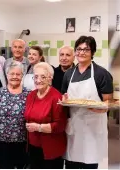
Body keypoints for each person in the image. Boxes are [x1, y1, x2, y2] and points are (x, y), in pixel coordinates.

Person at [62, 36, 113, 169]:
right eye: (79, 49)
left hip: (93, 125)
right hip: (74, 125)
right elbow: (64, 96)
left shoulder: (101, 73)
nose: (82, 52)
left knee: (89, 162)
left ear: (93, 52)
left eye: (86, 49)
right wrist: (64, 100)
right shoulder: (69, 74)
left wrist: (101, 108)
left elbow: (108, 102)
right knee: (71, 162)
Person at [24, 62, 67, 169]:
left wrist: (38, 127)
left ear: (50, 78)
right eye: (36, 76)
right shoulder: (31, 95)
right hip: (33, 146)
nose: (38, 80)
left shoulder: (56, 97)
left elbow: (60, 126)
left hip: (51, 148)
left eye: (43, 77)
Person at [0, 61, 30, 169]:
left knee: (22, 165)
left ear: (22, 75)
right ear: (7, 75)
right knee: (5, 165)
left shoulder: (29, 94)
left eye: (18, 74)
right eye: (12, 74)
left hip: (23, 139)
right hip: (3, 139)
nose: (15, 77)